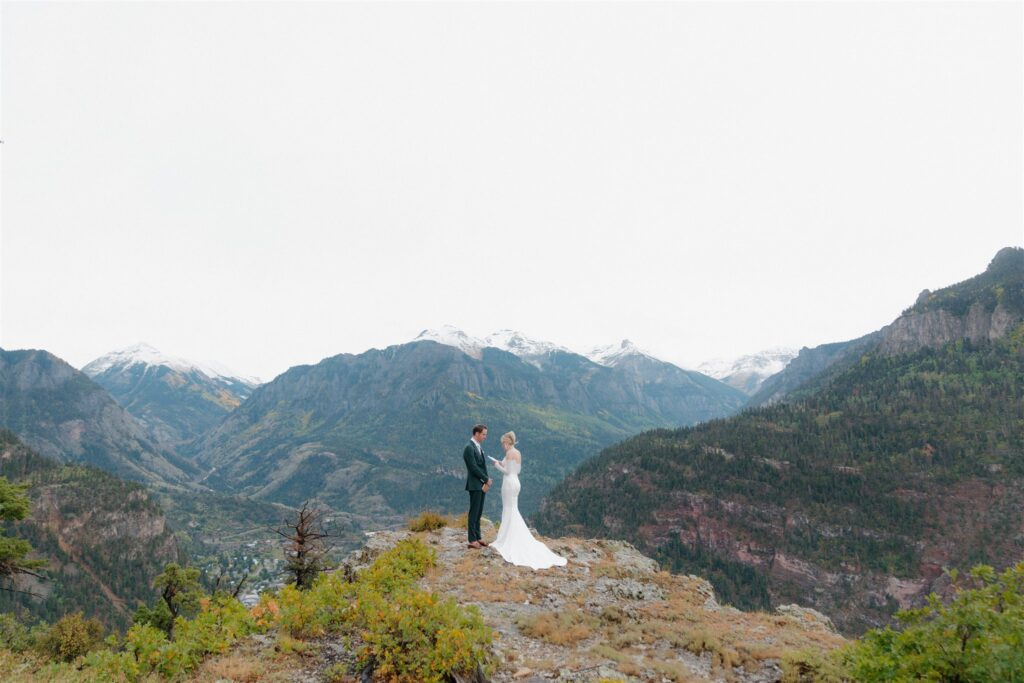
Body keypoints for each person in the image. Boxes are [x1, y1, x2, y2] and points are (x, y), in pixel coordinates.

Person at [487, 431, 567, 569]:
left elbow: (507, 472)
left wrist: (496, 465)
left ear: (507, 442)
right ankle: (511, 535)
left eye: (503, 444)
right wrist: (502, 463)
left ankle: (506, 538)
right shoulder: (517, 453)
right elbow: (516, 471)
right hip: (516, 482)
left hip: (509, 483)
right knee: (513, 509)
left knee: (508, 509)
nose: (503, 446)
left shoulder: (509, 453)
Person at [463, 423, 492, 549]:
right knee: (474, 512)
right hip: (475, 485)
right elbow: (473, 467)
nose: (485, 437)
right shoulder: (469, 448)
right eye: (484, 434)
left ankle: (478, 537)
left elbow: (481, 466)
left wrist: (486, 481)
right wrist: (486, 479)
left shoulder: (478, 446)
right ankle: (472, 539)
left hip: (481, 484)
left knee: (479, 511)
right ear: (476, 434)